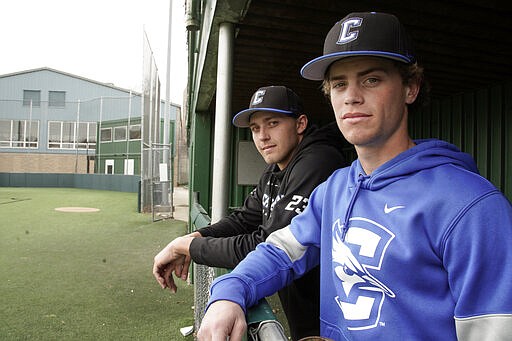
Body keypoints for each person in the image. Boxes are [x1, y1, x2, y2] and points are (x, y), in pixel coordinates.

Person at [196, 12, 512, 341]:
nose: (351, 96)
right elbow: (279, 252)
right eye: (339, 84)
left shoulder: (473, 206)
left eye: (371, 79)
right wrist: (231, 289)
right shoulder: (332, 190)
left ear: (410, 88)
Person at [153, 85, 349, 339]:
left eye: (273, 123)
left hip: (334, 314)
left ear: (300, 124)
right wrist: (195, 237)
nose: (262, 136)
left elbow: (266, 243)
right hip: (304, 306)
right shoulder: (275, 170)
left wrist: (190, 249)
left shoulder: (319, 161)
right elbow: (243, 220)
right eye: (255, 128)